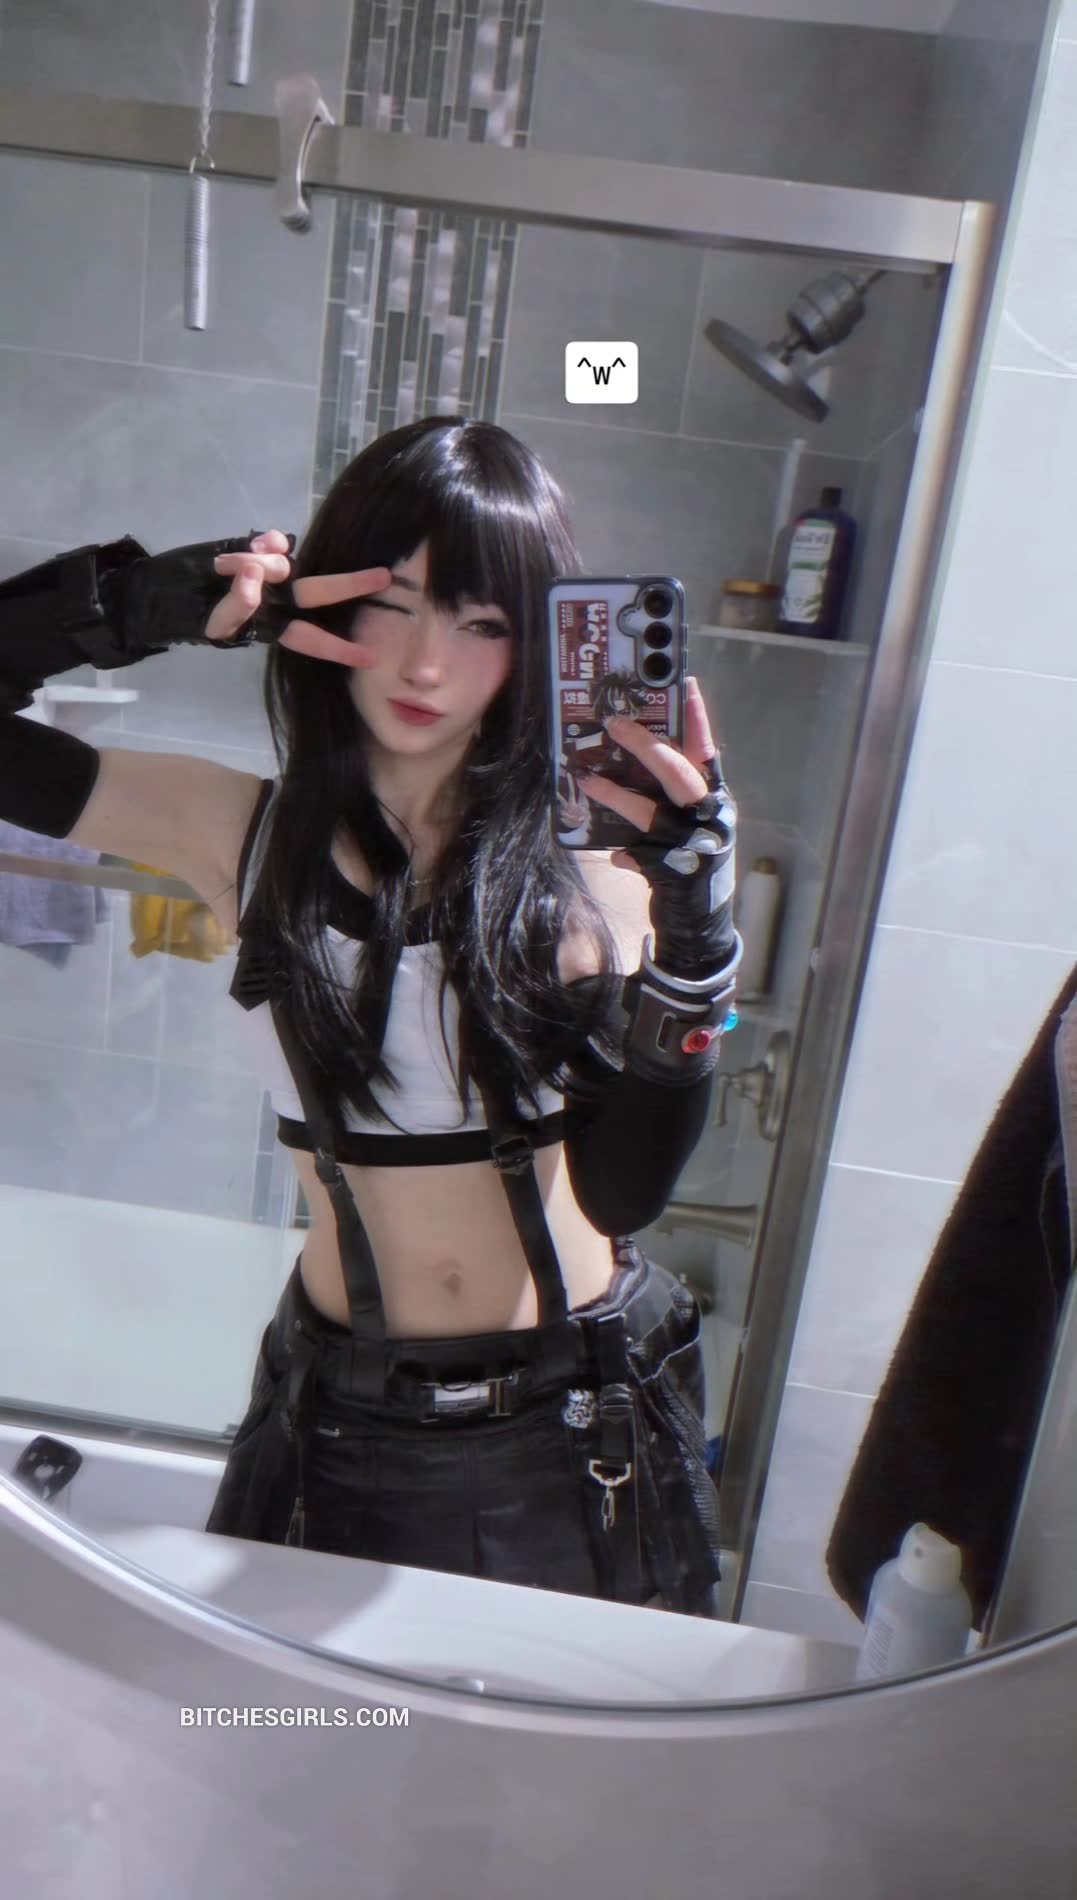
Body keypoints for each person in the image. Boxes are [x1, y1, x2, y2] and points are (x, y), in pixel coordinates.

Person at [0, 416, 741, 1616]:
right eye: (392, 605)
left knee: (564, 1740)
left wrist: (698, 942)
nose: (426, 666)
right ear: (327, 604)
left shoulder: (601, 872)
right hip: (334, 1415)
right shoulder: (236, 833)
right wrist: (144, 605)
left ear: (534, 647)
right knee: (282, 1726)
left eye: (482, 622)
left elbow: (625, 1194)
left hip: (581, 1413)